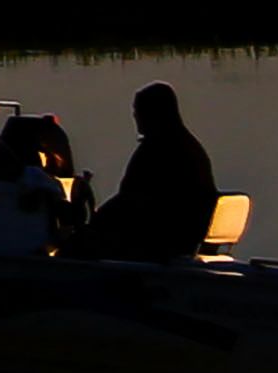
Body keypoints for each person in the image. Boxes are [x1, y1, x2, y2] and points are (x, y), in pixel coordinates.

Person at [77, 82, 220, 262]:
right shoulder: (187, 146)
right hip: (182, 238)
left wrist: (94, 223)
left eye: (139, 110)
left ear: (154, 113)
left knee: (77, 245)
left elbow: (129, 200)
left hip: (159, 242)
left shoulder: (159, 149)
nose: (135, 115)